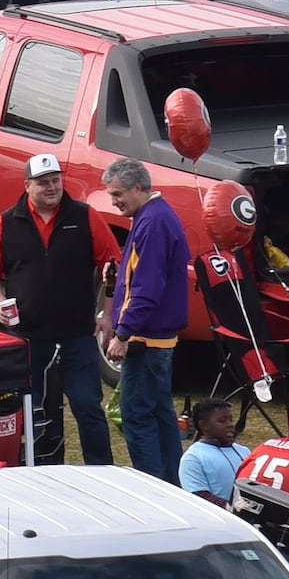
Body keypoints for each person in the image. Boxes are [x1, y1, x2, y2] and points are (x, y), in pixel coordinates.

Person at [0, 152, 112, 468]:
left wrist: (108, 312)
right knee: (29, 409)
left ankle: (102, 471)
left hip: (78, 335)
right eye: (43, 182)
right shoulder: (6, 223)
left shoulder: (86, 217)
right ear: (27, 185)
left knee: (87, 405)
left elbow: (112, 265)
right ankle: (35, 470)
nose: (51, 187)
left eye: (55, 180)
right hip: (28, 338)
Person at [103, 156, 192, 482]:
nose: (114, 203)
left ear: (138, 187)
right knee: (159, 412)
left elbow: (148, 285)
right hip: (156, 337)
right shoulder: (156, 216)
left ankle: (154, 486)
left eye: (117, 195)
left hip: (146, 339)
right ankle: (172, 481)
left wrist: (123, 334)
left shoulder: (153, 223)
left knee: (137, 415)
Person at [176, 396, 249, 503]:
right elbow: (198, 496)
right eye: (222, 421)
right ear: (204, 425)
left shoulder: (245, 451)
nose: (230, 425)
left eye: (231, 420)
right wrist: (234, 509)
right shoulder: (193, 458)